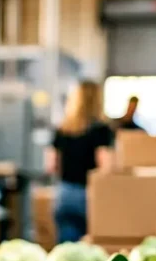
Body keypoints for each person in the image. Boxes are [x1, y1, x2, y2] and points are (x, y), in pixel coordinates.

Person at [49, 81, 115, 243]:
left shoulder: (62, 129)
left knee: (67, 251)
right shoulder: (101, 130)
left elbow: (51, 165)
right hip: (88, 194)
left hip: (64, 192)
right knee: (90, 250)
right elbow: (104, 166)